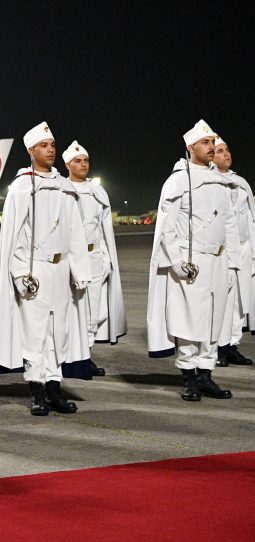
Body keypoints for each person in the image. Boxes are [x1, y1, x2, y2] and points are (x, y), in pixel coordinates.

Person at [0, 122, 91, 416]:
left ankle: (54, 387)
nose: (50, 150)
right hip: (34, 272)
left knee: (57, 331)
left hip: (60, 270)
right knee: (34, 333)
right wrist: (21, 273)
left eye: (52, 146)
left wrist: (79, 270)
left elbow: (75, 233)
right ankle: (36, 388)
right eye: (44, 146)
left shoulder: (64, 187)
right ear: (30, 151)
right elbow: (14, 236)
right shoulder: (22, 187)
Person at [147, 120, 237, 401]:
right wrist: (176, 262)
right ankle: (188, 377)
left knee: (214, 320)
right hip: (192, 263)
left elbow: (230, 225)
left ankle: (206, 374)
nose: (211, 147)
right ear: (191, 147)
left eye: (213, 142)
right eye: (206, 143)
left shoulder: (221, 180)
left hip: (219, 261)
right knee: (189, 320)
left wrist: (233, 262)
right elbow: (167, 227)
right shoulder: (178, 180)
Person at [62, 141, 126, 375]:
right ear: (67, 164)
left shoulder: (98, 191)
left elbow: (103, 229)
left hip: (95, 257)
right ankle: (67, 356)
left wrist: (107, 259)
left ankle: (85, 356)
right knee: (70, 311)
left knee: (94, 313)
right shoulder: (61, 189)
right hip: (71, 259)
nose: (83, 165)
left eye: (86, 161)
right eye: (77, 161)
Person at [212, 135, 255, 367]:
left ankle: (232, 346)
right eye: (219, 151)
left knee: (240, 300)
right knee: (223, 302)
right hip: (224, 252)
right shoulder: (208, 183)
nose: (226, 154)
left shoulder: (240, 182)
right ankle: (218, 347)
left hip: (245, 250)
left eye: (227, 149)